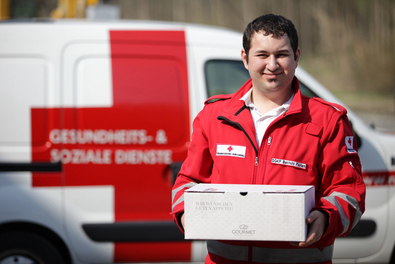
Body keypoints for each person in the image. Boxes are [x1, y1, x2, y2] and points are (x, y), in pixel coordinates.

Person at [171, 14, 366, 264]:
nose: (272, 65)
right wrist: (187, 213)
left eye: (281, 55)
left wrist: (326, 217)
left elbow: (349, 191)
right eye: (262, 55)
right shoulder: (214, 116)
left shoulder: (328, 120)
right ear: (245, 58)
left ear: (296, 57)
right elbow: (188, 181)